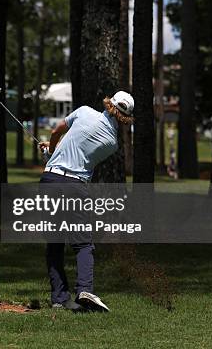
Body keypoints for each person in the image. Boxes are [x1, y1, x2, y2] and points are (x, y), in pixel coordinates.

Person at [38, 91, 134, 312]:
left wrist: (50, 151)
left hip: (50, 179)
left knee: (54, 243)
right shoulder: (112, 143)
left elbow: (56, 131)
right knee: (82, 243)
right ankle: (84, 289)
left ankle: (59, 299)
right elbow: (81, 153)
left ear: (109, 102)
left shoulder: (83, 112)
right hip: (74, 187)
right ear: (125, 118)